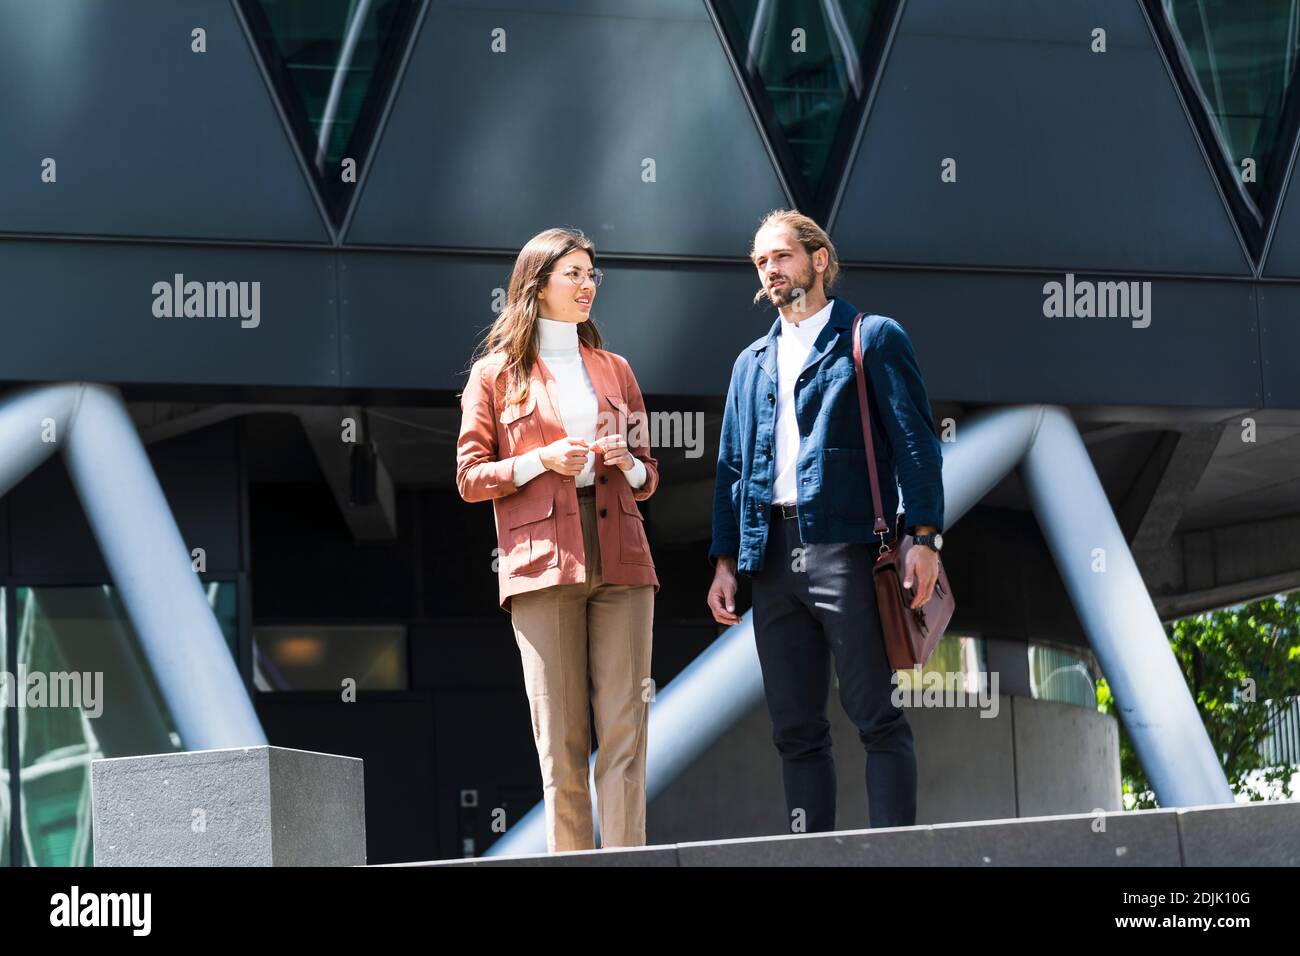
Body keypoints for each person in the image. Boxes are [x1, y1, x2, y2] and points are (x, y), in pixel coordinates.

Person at [706, 209, 945, 833]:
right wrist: (726, 562)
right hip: (770, 556)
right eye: (761, 262)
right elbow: (731, 470)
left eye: (781, 256)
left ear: (819, 260)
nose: (770, 271)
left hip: (847, 548)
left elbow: (917, 445)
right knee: (794, 729)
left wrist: (923, 538)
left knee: (875, 715)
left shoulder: (873, 337)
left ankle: (894, 851)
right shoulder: (749, 363)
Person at [456, 226, 659, 852]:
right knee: (561, 743)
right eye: (573, 273)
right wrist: (540, 461)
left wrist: (624, 461)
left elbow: (648, 477)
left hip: (622, 553)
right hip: (543, 562)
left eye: (592, 274)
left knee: (626, 732)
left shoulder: (615, 369)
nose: (587, 284)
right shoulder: (495, 374)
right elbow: (469, 476)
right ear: (536, 284)